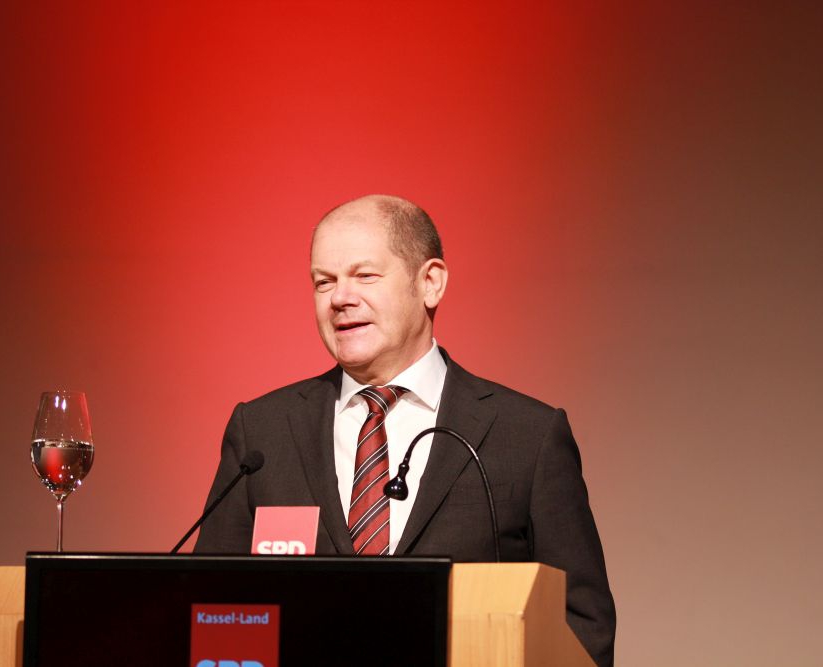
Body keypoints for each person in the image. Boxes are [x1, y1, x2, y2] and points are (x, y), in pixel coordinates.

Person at [194, 194, 616, 665]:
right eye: (323, 281)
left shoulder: (527, 436)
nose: (340, 298)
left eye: (365, 275)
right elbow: (210, 608)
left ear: (430, 282)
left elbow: (583, 626)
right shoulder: (263, 431)